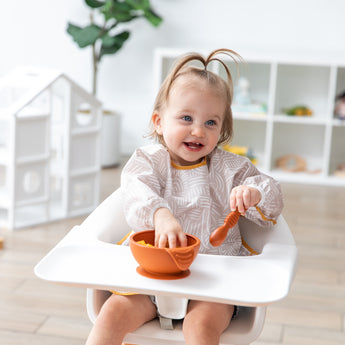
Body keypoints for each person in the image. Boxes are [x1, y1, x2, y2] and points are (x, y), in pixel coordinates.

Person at [85, 48, 284, 345]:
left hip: (213, 284)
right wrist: (160, 215)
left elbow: (273, 195)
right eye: (186, 117)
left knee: (201, 328)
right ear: (159, 122)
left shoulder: (232, 169)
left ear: (223, 129)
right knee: (111, 315)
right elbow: (135, 190)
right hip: (150, 277)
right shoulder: (148, 161)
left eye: (210, 123)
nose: (197, 131)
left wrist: (253, 193)